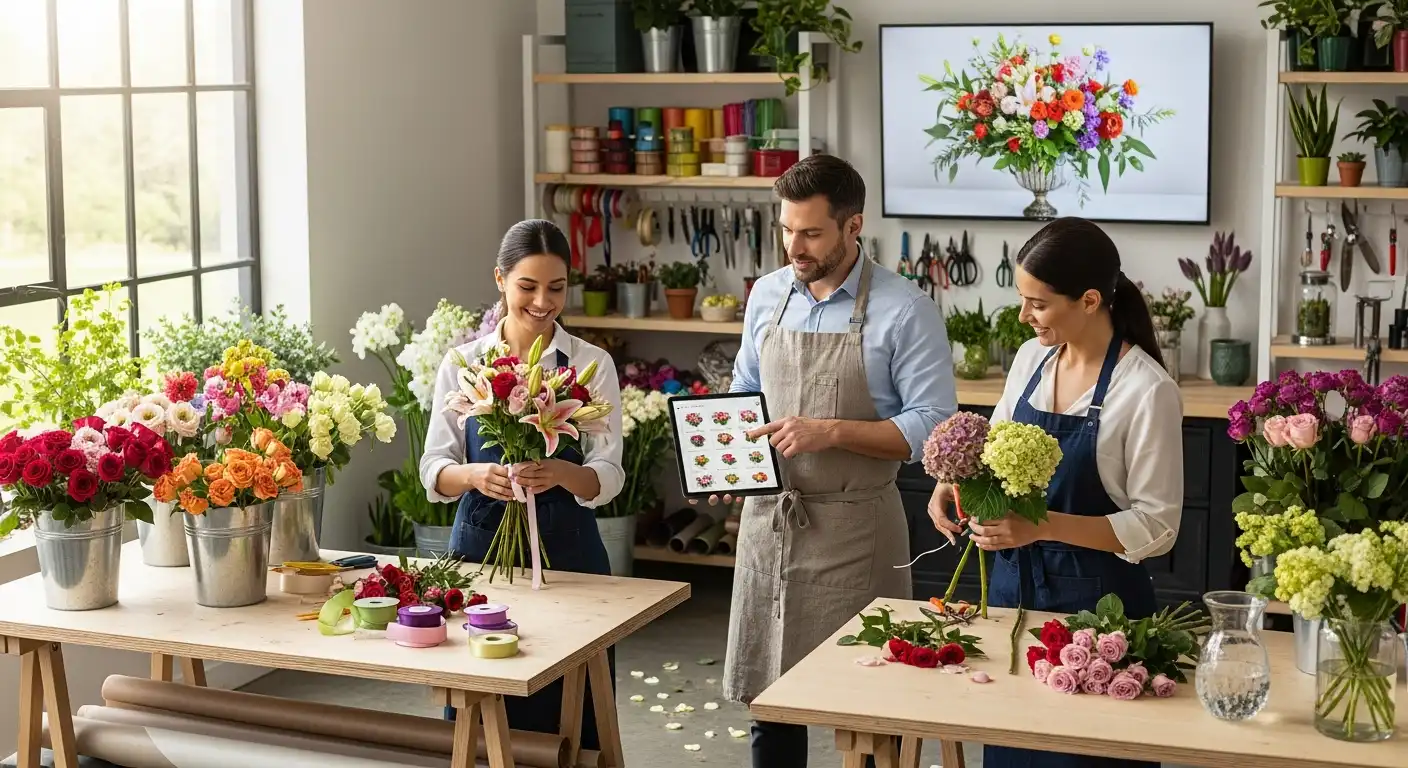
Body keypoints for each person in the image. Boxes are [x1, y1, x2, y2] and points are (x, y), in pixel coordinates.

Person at [715, 154, 957, 768]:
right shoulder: (767, 296)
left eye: (811, 232)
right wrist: (725, 462)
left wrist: (830, 431)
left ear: (854, 227)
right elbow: (746, 391)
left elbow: (933, 425)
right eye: (786, 229)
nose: (794, 246)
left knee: (868, 703)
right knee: (769, 700)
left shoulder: (905, 309)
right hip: (771, 522)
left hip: (856, 529)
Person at [927, 217, 1183, 768]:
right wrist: (955, 480)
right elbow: (994, 447)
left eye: (1037, 304)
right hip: (1015, 594)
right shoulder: (1030, 359)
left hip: (1102, 612)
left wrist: (1043, 526)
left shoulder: (1146, 390)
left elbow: (1158, 529)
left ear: (1090, 300)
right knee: (1013, 749)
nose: (1024, 316)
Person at [420, 219, 624, 750]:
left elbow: (609, 474)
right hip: (481, 554)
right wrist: (475, 476)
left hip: (571, 554)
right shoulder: (464, 364)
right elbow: (433, 470)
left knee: (574, 710)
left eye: (556, 288)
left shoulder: (590, 364)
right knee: (482, 704)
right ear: (500, 280)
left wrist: (560, 472)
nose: (542, 302)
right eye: (527, 287)